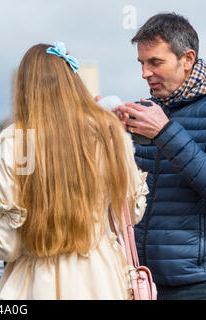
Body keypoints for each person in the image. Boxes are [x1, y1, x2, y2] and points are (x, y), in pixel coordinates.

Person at [0, 42, 149, 299]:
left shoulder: (17, 140)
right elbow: (132, 211)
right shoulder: (108, 132)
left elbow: (6, 243)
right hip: (102, 278)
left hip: (37, 279)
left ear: (24, 88)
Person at [113, 13, 206, 300]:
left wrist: (164, 132)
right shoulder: (146, 111)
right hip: (141, 280)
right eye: (141, 63)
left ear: (187, 59)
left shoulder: (158, 121)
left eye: (155, 62)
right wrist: (111, 135)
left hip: (195, 283)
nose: (145, 73)